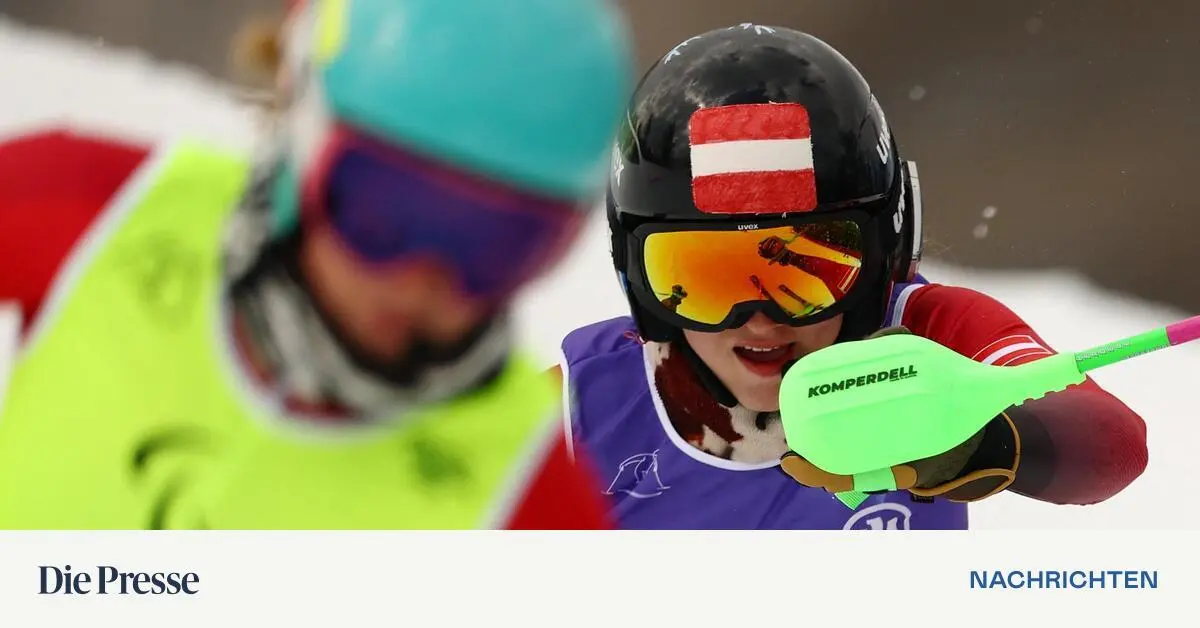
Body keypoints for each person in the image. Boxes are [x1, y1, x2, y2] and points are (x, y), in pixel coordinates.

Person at [0, 0, 633, 529]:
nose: (422, 278)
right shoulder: (97, 212)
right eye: (385, 209)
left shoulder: (526, 499)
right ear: (304, 130)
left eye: (498, 242)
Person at [554, 25, 1148, 529]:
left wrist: (986, 443)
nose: (760, 320)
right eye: (707, 277)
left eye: (809, 267)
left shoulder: (928, 337)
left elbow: (1110, 445)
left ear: (886, 253)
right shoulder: (582, 403)